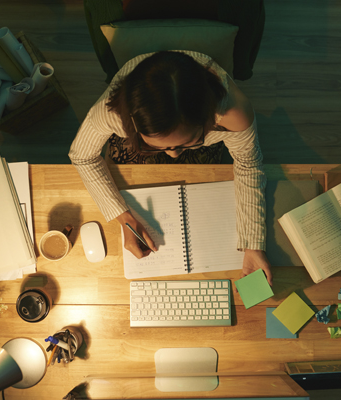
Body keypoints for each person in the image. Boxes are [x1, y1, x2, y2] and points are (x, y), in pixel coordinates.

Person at [68, 50, 273, 287]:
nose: (174, 155)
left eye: (186, 143)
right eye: (162, 146)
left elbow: (248, 164)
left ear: (208, 120)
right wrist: (123, 218)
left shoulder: (232, 112)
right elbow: (82, 156)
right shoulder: (111, 113)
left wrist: (253, 244)